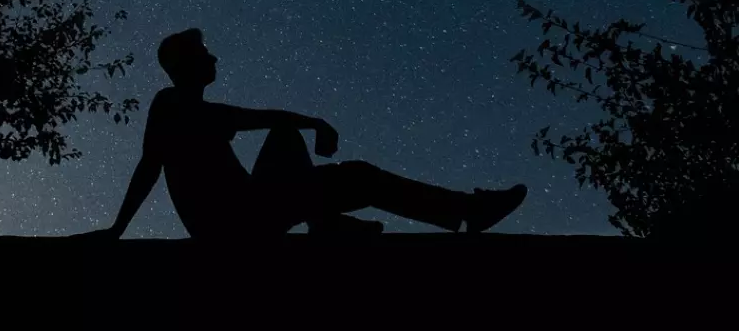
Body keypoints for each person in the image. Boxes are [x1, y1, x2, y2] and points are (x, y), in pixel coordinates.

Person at [82, 27, 527, 241]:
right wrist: (118, 229)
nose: (214, 57)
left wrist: (313, 123)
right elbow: (150, 164)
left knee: (286, 135)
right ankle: (469, 212)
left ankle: (327, 224)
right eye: (204, 53)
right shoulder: (173, 104)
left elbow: (263, 117)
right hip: (237, 221)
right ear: (185, 64)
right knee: (360, 177)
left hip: (249, 209)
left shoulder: (197, 110)